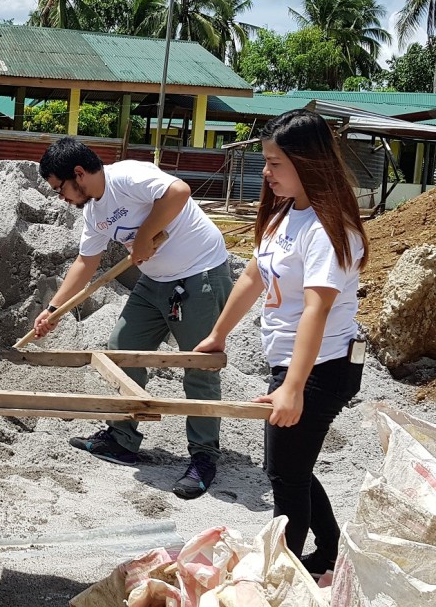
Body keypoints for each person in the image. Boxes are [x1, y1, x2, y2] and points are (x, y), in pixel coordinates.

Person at [195, 109, 369, 575]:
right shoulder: (285, 215)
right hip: (293, 365)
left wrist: (294, 386)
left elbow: (318, 309)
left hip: (323, 368)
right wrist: (217, 335)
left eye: (275, 164)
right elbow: (252, 278)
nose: (266, 173)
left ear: (308, 163)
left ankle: (280, 570)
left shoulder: (331, 230)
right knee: (294, 468)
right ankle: (330, 553)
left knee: (285, 476)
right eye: (267, 162)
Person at [33, 137, 232, 499]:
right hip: (154, 281)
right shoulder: (94, 213)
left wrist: (142, 235)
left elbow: (179, 192)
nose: (62, 197)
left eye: (61, 188)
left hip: (198, 273)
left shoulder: (127, 176)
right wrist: (54, 310)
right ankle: (122, 439)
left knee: (199, 365)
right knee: (121, 351)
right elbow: (85, 262)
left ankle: (204, 457)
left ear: (79, 173)